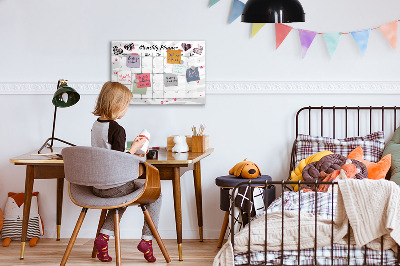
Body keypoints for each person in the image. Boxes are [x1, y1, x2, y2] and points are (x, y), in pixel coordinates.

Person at [91, 81, 161, 263]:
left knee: (121, 198)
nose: (126, 109)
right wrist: (135, 149)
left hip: (97, 186)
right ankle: (147, 240)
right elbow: (118, 161)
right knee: (156, 194)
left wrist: (130, 149)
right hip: (114, 186)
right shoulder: (117, 129)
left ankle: (103, 238)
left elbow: (108, 154)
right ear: (117, 105)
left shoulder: (96, 125)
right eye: (126, 105)